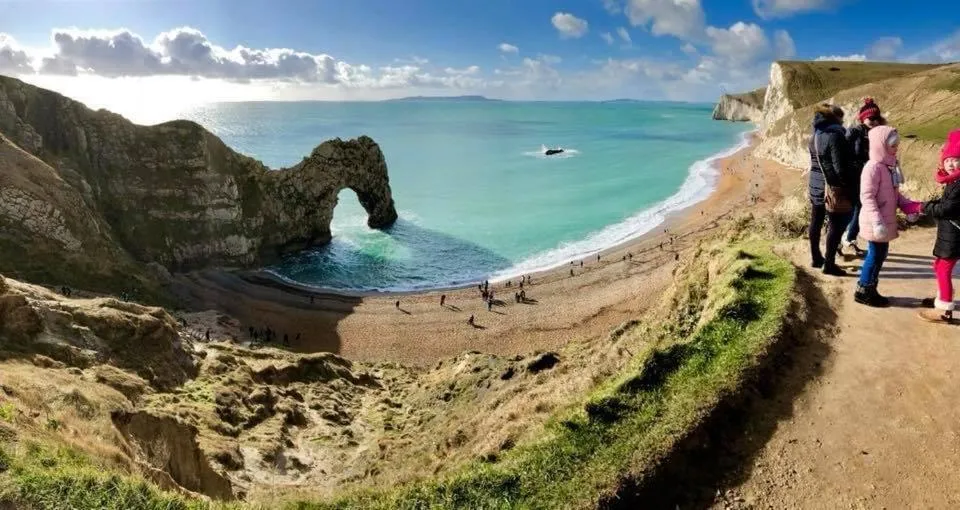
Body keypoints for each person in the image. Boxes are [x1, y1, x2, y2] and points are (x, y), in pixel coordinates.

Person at [855, 126, 922, 307]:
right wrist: (877, 222)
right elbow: (866, 197)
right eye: (893, 145)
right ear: (881, 146)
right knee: (875, 255)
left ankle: (869, 287)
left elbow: (894, 196)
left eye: (897, 145)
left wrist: (910, 207)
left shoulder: (888, 166)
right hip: (875, 221)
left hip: (883, 220)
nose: (896, 148)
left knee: (880, 254)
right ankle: (864, 290)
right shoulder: (873, 168)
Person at [808, 104, 858, 276]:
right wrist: (848, 188)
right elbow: (839, 168)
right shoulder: (834, 135)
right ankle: (829, 264)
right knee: (836, 226)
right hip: (831, 187)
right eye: (841, 118)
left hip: (814, 183)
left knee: (816, 220)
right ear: (835, 118)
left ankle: (815, 257)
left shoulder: (814, 134)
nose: (843, 122)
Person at [919, 129, 960, 322]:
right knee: (939, 266)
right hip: (949, 232)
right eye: (948, 159)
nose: (951, 164)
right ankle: (943, 297)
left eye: (956, 159)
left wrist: (923, 207)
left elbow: (946, 209)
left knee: (943, 268)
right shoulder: (954, 181)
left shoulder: (959, 184)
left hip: (955, 235)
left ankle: (944, 310)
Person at [843, 98, 886, 257]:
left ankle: (849, 239)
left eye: (877, 118)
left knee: (862, 208)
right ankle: (846, 240)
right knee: (856, 207)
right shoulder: (854, 132)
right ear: (863, 118)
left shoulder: (879, 132)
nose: (874, 121)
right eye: (870, 118)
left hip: (871, 176)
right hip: (855, 176)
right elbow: (843, 152)